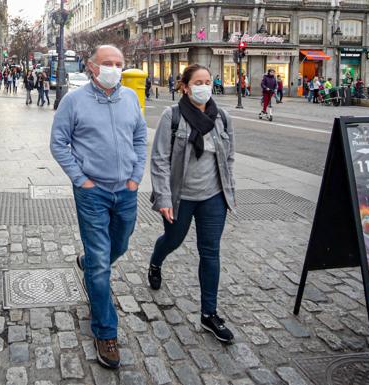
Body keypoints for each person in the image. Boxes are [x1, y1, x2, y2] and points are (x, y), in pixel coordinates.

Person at [50, 45, 147, 369]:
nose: (115, 69)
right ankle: (106, 332)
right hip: (92, 192)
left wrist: (135, 177)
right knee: (102, 266)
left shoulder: (131, 99)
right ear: (92, 67)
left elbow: (139, 137)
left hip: (126, 190)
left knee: (119, 244)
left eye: (120, 63)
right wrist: (80, 179)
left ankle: (89, 262)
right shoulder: (74, 101)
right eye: (108, 63)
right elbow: (58, 142)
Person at [148, 63, 235, 343]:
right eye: (198, 82)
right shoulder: (172, 116)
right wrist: (163, 198)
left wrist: (226, 190)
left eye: (208, 81)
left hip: (213, 198)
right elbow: (160, 160)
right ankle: (156, 262)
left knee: (210, 252)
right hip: (179, 197)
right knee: (173, 240)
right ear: (185, 87)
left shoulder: (221, 117)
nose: (204, 87)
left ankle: (209, 314)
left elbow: (228, 156)